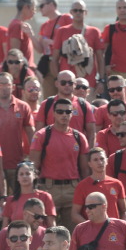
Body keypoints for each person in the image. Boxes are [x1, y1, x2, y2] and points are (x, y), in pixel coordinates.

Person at [28, 96, 91, 228]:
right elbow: (33, 167)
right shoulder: (42, 135)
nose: (64, 115)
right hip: (49, 188)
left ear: (72, 114)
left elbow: (85, 169)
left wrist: (86, 192)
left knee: (73, 232)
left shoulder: (79, 137)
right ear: (53, 113)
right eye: (60, 112)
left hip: (72, 189)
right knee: (48, 231)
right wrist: (35, 191)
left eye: (68, 112)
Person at [0, 72, 36, 191]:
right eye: (0, 85)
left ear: (13, 87)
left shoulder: (23, 107)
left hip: (17, 164)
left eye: (7, 84)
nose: (4, 88)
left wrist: (33, 160)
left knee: (19, 201)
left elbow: (32, 136)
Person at [51, 0, 104, 92]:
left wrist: (101, 80)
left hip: (88, 82)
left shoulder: (94, 32)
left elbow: (100, 59)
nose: (78, 13)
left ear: (85, 12)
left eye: (81, 10)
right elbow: (54, 59)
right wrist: (58, 80)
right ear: (71, 12)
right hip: (67, 84)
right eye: (75, 10)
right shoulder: (62, 31)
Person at [35, 69, 96, 143]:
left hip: (77, 151)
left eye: (70, 83)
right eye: (63, 83)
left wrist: (87, 153)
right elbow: (38, 132)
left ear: (75, 85)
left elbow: (91, 134)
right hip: (52, 151)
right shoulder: (47, 104)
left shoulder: (84, 105)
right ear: (56, 84)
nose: (67, 85)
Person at [72, 147, 126, 224]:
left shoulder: (117, 183)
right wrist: (89, 227)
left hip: (113, 232)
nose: (100, 162)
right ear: (90, 164)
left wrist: (121, 226)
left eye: (102, 159)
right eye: (95, 160)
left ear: (107, 161)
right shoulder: (82, 186)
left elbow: (124, 211)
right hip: (92, 232)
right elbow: (75, 214)